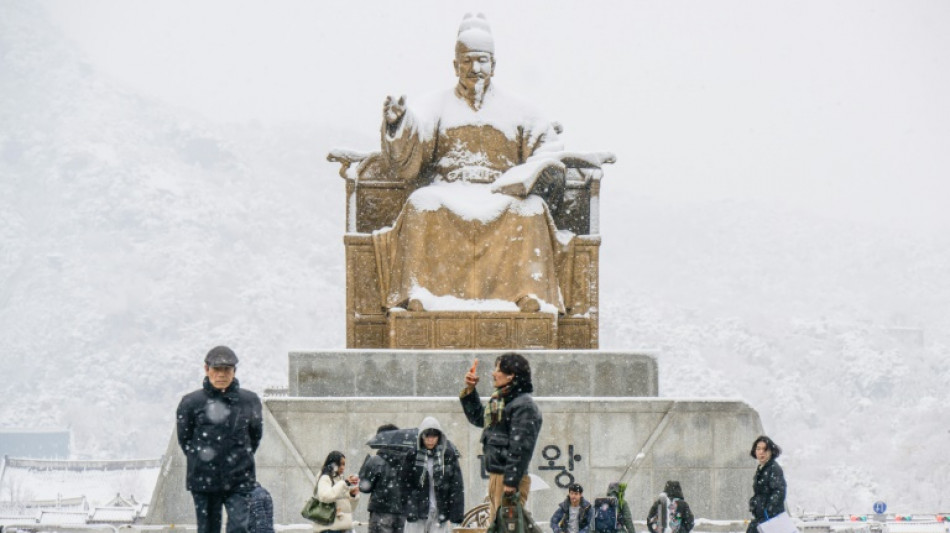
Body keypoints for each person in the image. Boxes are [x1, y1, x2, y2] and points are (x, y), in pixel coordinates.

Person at [372, 13, 578, 314]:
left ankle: (528, 294)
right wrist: (398, 122)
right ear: (455, 66)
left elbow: (549, 147)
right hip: (450, 189)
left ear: (494, 65)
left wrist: (530, 172)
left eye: (482, 61)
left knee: (531, 210)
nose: (475, 69)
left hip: (501, 193)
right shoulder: (436, 105)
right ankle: (421, 293)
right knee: (421, 203)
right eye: (467, 61)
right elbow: (413, 141)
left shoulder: (520, 110)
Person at [176, 346, 263, 533]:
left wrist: (239, 456)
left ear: (234, 372)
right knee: (208, 529)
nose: (221, 375)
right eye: (217, 369)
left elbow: (255, 436)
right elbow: (185, 440)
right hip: (203, 480)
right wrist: (202, 459)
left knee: (239, 527)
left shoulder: (250, 401)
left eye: (227, 370)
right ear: (206, 369)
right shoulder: (191, 403)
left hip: (240, 478)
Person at [460, 352, 542, 524]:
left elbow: (520, 447)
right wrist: (470, 391)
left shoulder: (523, 405)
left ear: (511, 375)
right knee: (499, 527)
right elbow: (479, 418)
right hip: (497, 476)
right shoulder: (501, 402)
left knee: (507, 527)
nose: (493, 373)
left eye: (497, 369)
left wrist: (511, 482)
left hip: (508, 480)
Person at [405, 417, 465, 533]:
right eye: (427, 436)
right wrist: (409, 508)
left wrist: (456, 513)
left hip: (439, 511)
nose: (430, 440)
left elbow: (456, 485)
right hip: (417, 510)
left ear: (439, 437)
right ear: (421, 436)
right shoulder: (413, 455)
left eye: (434, 436)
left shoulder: (447, 455)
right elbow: (404, 484)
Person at [360, 424, 414, 533]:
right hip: (403, 513)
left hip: (380, 511)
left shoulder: (376, 461)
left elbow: (364, 487)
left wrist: (366, 466)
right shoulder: (409, 460)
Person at [313, 451, 361, 533]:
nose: (342, 467)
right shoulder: (325, 478)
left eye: (344, 464)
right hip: (330, 528)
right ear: (333, 465)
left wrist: (352, 495)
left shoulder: (339, 480)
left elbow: (349, 509)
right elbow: (325, 497)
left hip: (342, 527)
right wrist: (344, 483)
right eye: (340, 464)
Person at [746, 436, 786, 533]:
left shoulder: (773, 468)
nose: (761, 452)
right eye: (758, 448)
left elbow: (779, 491)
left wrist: (768, 510)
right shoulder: (762, 468)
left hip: (771, 519)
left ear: (771, 451)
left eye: (765, 449)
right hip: (762, 518)